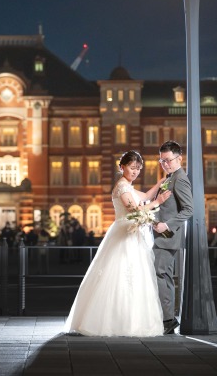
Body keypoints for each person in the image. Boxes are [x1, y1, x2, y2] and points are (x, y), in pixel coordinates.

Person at [64, 150, 171, 336]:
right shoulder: (122, 187)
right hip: (124, 234)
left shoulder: (128, 186)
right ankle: (116, 322)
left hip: (131, 234)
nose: (135, 172)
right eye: (132, 167)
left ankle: (131, 320)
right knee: (120, 275)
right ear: (122, 167)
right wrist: (158, 202)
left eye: (138, 168)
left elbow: (146, 195)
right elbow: (135, 211)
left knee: (134, 276)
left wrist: (161, 182)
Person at [153, 140, 194, 335]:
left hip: (167, 237)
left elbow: (189, 209)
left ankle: (168, 319)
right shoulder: (170, 177)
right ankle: (167, 318)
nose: (165, 164)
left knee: (160, 274)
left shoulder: (180, 178)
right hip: (161, 236)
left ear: (179, 159)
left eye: (168, 160)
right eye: (162, 161)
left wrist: (166, 225)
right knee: (164, 275)